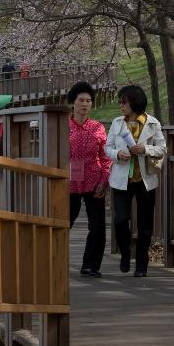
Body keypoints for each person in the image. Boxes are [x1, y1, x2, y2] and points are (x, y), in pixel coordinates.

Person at [105, 84, 166, 277]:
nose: (121, 105)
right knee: (121, 220)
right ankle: (125, 252)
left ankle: (142, 264)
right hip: (122, 178)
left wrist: (146, 150)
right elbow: (107, 148)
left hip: (145, 180)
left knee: (145, 225)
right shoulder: (116, 123)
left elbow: (162, 148)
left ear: (134, 102)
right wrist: (118, 154)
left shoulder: (152, 123)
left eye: (124, 101)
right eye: (120, 101)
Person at [67, 81, 110, 277]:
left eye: (88, 101)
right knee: (64, 222)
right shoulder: (64, 126)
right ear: (72, 103)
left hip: (94, 180)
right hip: (68, 182)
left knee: (98, 225)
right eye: (81, 100)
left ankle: (91, 265)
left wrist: (105, 180)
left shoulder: (98, 127)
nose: (85, 104)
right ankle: (54, 261)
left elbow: (105, 155)